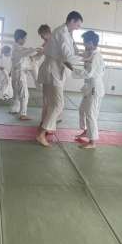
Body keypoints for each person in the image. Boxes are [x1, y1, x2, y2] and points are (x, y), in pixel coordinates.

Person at [36, 11, 83, 147]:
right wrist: (85, 58)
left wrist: (78, 56)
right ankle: (41, 133)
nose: (78, 28)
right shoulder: (62, 33)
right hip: (53, 71)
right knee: (58, 104)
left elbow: (70, 54)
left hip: (51, 69)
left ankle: (42, 128)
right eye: (78, 25)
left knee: (49, 103)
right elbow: (68, 56)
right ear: (72, 21)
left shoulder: (65, 32)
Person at [73, 30, 105, 149]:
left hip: (95, 88)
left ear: (91, 42)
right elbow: (79, 54)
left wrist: (72, 69)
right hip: (89, 87)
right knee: (82, 109)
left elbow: (89, 73)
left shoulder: (96, 56)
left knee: (91, 114)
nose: (83, 44)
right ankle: (86, 131)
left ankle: (92, 142)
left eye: (85, 42)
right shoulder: (89, 52)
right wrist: (72, 42)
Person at [10, 29, 39, 120]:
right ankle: (23, 114)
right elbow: (26, 52)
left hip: (16, 74)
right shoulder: (17, 48)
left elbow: (26, 51)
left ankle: (15, 109)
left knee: (16, 94)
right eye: (25, 38)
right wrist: (35, 50)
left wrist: (35, 51)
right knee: (24, 94)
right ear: (20, 39)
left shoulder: (16, 47)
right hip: (19, 74)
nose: (25, 40)